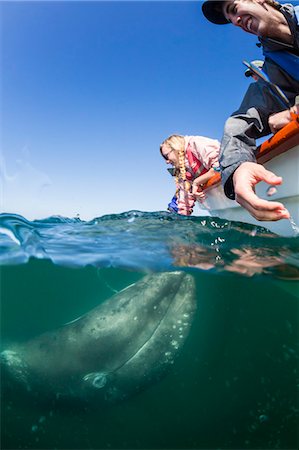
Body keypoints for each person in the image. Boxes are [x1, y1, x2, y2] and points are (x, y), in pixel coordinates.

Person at [202, 0, 299, 221]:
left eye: (234, 9)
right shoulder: (274, 70)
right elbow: (239, 124)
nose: (236, 21)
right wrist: (238, 168)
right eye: (231, 20)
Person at [160, 134, 220, 215]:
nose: (166, 162)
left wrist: (197, 182)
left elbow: (220, 166)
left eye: (166, 156)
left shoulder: (196, 143)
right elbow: (184, 203)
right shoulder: (184, 171)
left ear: (175, 148)